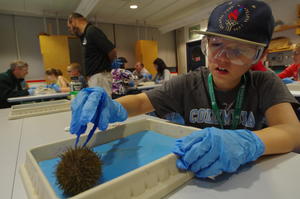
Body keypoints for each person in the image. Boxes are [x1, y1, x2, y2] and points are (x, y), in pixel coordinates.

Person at [70, 0, 300, 179]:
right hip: (193, 176)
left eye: (239, 51)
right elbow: (141, 102)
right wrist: (110, 106)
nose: (222, 58)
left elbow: (292, 132)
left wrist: (249, 144)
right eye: (216, 45)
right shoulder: (188, 83)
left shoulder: (265, 84)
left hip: (251, 179)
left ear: (260, 55)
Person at [67, 13, 120, 94]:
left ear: (73, 21)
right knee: (98, 105)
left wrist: (108, 66)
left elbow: (111, 50)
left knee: (102, 105)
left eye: (69, 27)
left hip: (100, 77)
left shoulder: (92, 31)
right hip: (94, 78)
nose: (69, 30)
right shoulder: (84, 36)